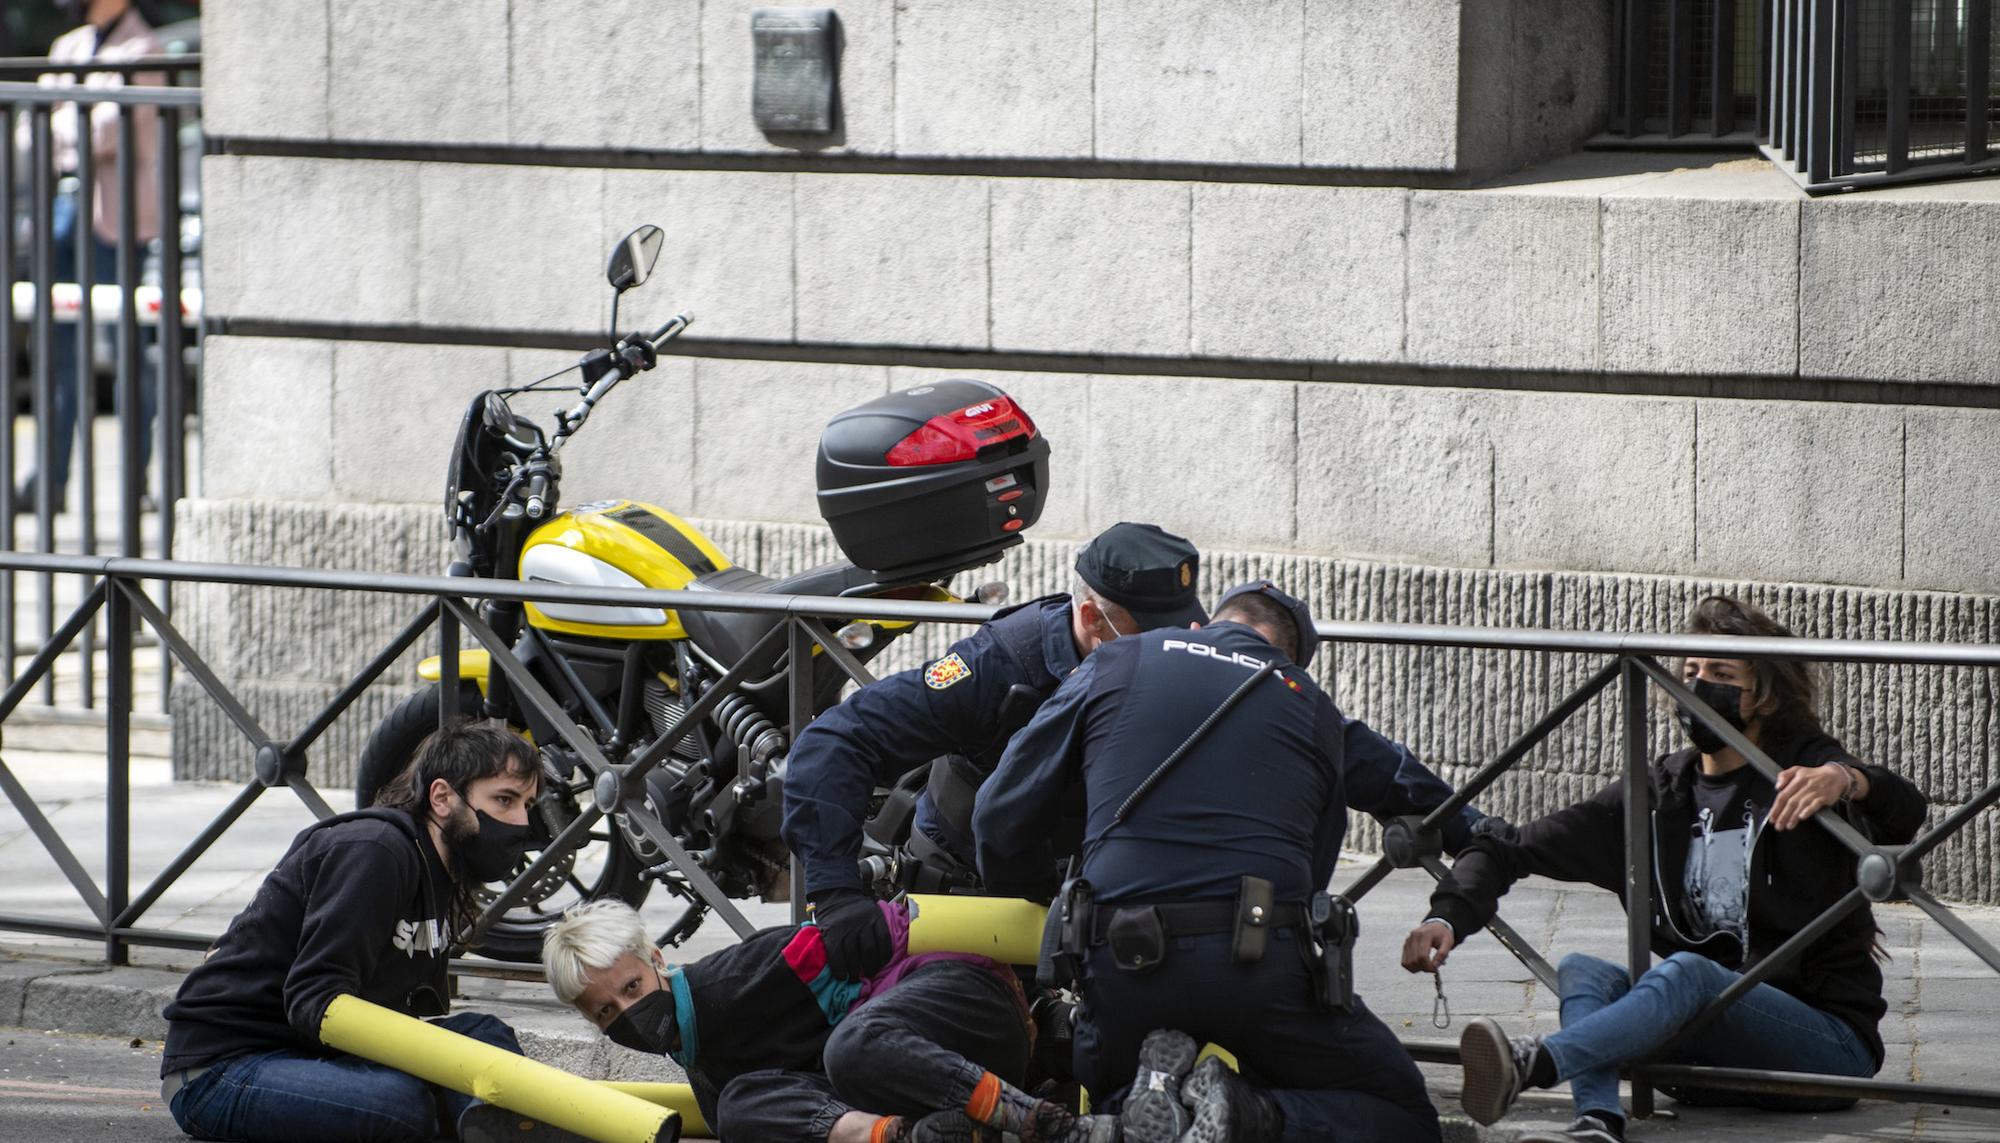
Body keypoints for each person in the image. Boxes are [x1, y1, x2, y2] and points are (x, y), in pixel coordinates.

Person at [785, 521, 1487, 983]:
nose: (1170, 646)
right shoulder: (1006, 663)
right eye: (1145, 631)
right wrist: (837, 894)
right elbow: (835, 741)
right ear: (1089, 615)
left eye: (1183, 628)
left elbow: (1361, 756)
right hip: (972, 904)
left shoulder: (1191, 666)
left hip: (1102, 913)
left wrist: (1470, 843)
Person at [1400, 595, 1929, 1143]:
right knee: (1585, 970)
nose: (1697, 687)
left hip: (1823, 1054)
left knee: (1689, 972)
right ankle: (1597, 1122)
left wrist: (1847, 778)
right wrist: (1447, 917)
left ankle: (1536, 1064)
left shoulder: (1799, 771)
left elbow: (1907, 814)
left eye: (1721, 675)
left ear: (1765, 698)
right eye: (1690, 672)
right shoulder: (1655, 796)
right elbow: (1506, 845)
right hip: (1705, 1058)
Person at [975, 580, 1445, 1143]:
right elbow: (1313, 876)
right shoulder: (1310, 705)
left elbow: (999, 812)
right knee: (1404, 1114)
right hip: (1257, 961)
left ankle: (1146, 1095)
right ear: (1284, 657)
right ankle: (1249, 1116)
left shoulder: (1119, 660)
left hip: (1119, 957)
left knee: (1115, 1099)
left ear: (1203, 627)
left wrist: (1037, 899)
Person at [159, 721, 560, 1143]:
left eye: (527, 806)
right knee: (398, 1104)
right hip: (222, 1071)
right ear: (442, 797)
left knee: (486, 1036)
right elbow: (314, 1000)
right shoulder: (376, 850)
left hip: (319, 1057)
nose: (520, 822)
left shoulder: (439, 867)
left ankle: (491, 1126)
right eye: (504, 800)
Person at [542, 898, 1121, 1142]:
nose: (630, 1014)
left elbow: (877, 928)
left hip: (969, 1001)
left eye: (633, 988)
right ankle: (909, 1136)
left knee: (853, 1046)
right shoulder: (699, 1064)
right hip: (933, 1079)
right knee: (737, 1116)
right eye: (606, 1012)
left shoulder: (738, 978)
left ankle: (1046, 1125)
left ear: (658, 962)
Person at [19, 0, 163, 512]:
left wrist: (62, 116)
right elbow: (31, 127)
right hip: (63, 208)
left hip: (117, 218)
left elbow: (107, 131)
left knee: (125, 349)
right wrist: (69, 122)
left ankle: (135, 483)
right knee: (55, 350)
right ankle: (49, 480)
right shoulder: (69, 46)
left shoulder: (144, 48)